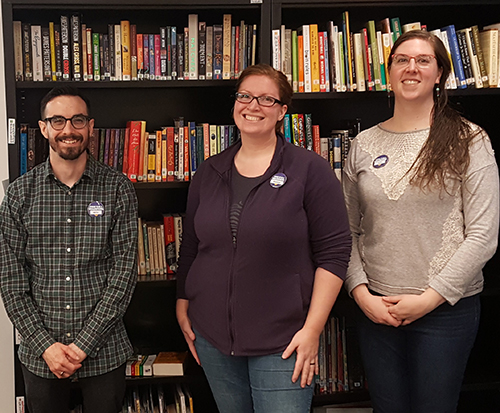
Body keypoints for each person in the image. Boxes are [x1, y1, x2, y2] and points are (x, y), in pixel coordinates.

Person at [176, 63, 351, 413]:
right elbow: (192, 245)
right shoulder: (209, 171)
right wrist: (182, 305)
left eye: (266, 99)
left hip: (284, 342)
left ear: (283, 111)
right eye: (245, 96)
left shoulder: (309, 169)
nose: (252, 106)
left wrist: (312, 329)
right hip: (212, 338)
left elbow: (334, 252)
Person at [343, 30, 499, 413]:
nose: (411, 68)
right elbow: (346, 231)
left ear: (440, 74)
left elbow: (483, 235)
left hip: (445, 311)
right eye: (401, 60)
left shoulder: (469, 139)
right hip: (376, 310)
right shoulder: (363, 144)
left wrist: (427, 300)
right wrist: (361, 294)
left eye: (423, 60)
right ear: (389, 72)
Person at [0, 87, 138, 413]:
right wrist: (47, 346)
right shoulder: (19, 195)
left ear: (90, 127)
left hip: (105, 349)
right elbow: (12, 282)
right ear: (44, 128)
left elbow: (123, 275)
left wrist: (82, 346)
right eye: (57, 120)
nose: (68, 130)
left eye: (77, 120)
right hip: (40, 351)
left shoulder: (118, 188)